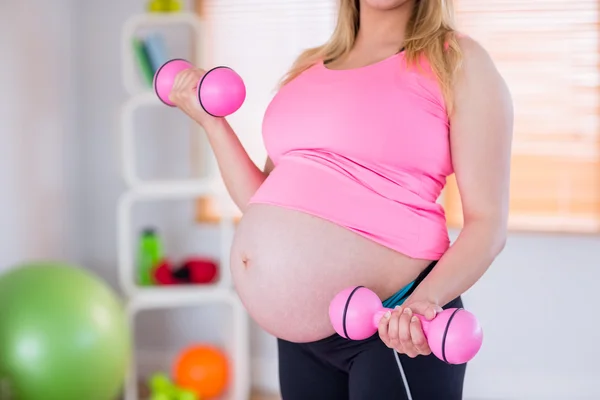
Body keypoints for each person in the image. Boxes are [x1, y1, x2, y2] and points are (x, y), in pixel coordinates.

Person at [169, 0, 513, 398]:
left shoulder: (459, 61)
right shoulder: (307, 68)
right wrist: (211, 122)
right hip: (302, 338)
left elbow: (487, 223)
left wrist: (422, 304)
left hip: (395, 323)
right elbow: (265, 198)